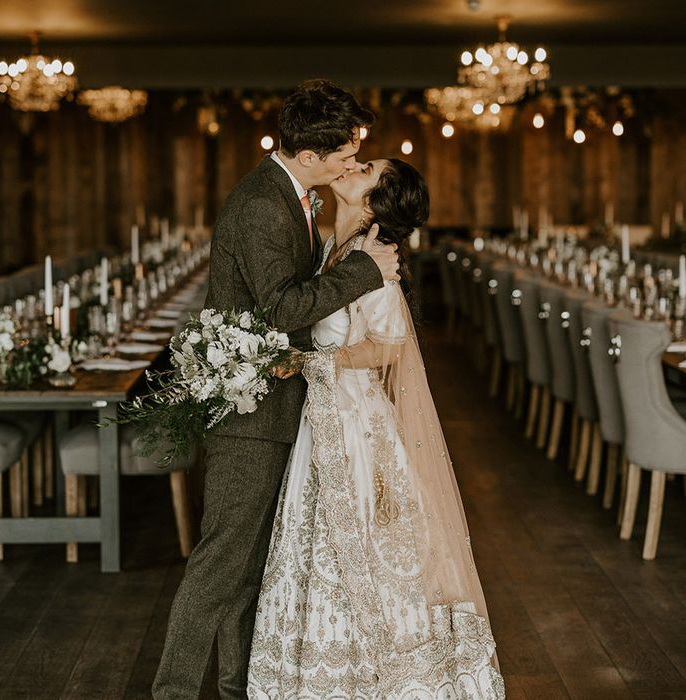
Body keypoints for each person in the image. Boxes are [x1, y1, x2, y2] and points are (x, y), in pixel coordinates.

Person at [153, 80, 401, 699]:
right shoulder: (265, 203)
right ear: (311, 157)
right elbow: (280, 308)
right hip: (251, 415)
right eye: (345, 154)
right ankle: (174, 691)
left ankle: (239, 686)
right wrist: (364, 271)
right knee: (221, 564)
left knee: (250, 570)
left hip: (280, 401)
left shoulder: (291, 195)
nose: (352, 162)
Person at [247, 159, 506, 698]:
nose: (348, 166)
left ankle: (374, 673)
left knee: (360, 545)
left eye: (364, 168)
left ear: (376, 199)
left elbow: (389, 347)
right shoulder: (335, 249)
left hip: (354, 423)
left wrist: (309, 362)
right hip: (324, 416)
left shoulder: (375, 263)